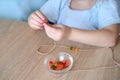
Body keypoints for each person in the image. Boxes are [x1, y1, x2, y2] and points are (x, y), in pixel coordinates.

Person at [28, 0, 120, 47]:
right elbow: (40, 16)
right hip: (61, 52)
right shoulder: (60, 1)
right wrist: (33, 20)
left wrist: (69, 33)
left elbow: (111, 39)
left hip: (89, 58)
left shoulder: (107, 4)